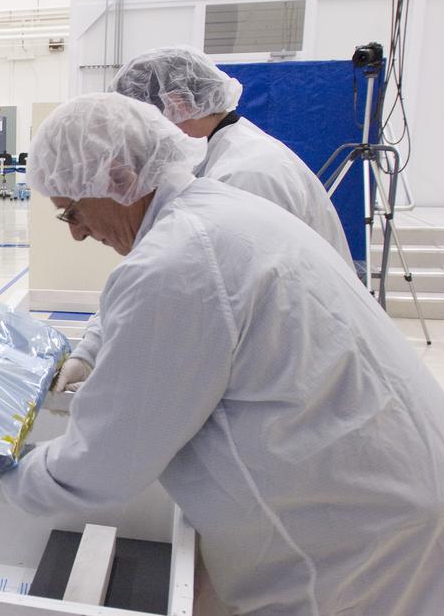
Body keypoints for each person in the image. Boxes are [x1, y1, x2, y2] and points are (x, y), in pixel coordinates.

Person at [0, 93, 444, 616]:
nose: (74, 233)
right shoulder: (215, 215)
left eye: (71, 211)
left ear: (116, 179)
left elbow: (102, 466)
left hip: (352, 550)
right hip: (387, 498)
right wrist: (92, 356)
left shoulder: (178, 263)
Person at [54, 45, 354, 393]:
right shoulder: (210, 163)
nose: (131, 142)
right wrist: (90, 350)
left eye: (139, 125)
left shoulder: (247, 174)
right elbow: (149, 270)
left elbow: (203, 310)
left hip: (304, 379)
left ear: (179, 104)